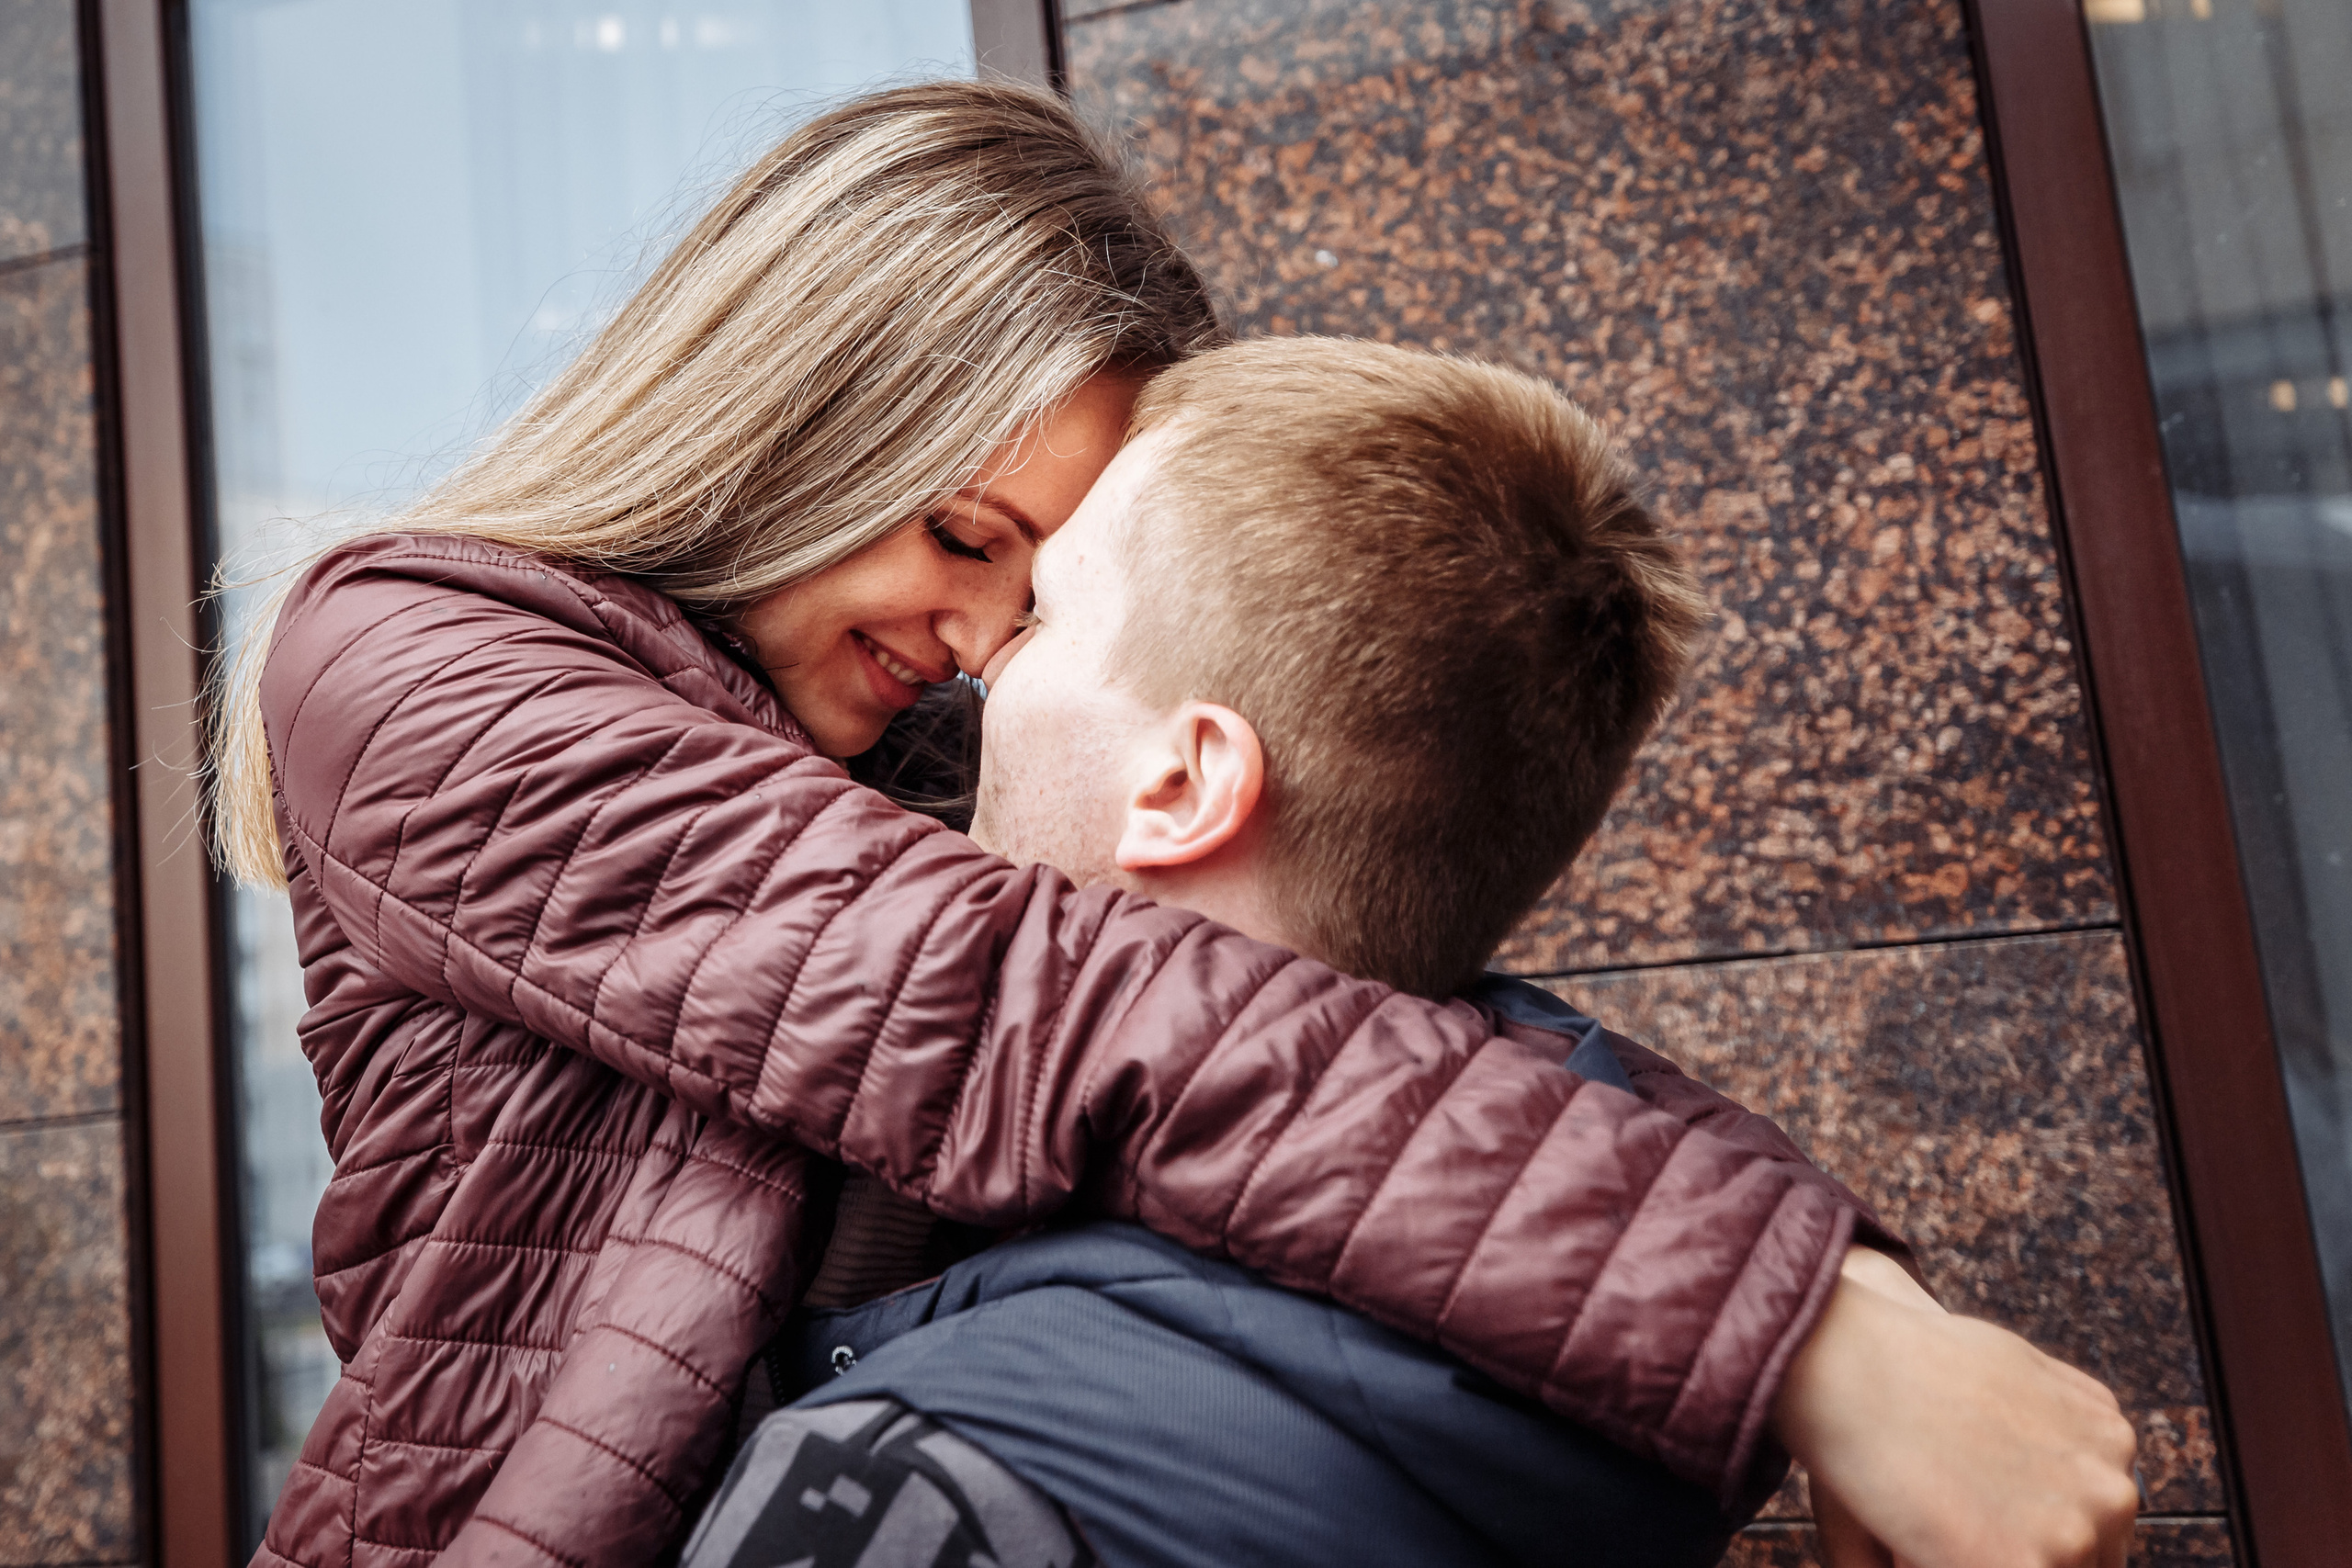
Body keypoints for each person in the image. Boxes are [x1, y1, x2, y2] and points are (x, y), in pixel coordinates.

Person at [209, 83, 2127, 1568]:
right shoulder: (409, 662)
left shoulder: (886, 716)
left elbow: (1342, 994)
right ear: (796, 424)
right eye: (963, 537)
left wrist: (1840, 1281)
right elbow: (1019, 1000)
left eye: (1038, 588)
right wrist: (1786, 1325)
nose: (985, 642)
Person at [683, 339, 2143, 1568]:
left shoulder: (927, 1477)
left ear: (1184, 785)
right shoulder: (1622, 1428)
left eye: (1047, 614)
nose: (982, 661)